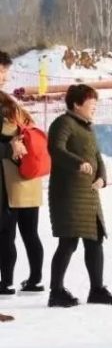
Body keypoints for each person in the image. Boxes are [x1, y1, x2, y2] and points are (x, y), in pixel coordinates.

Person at [46, 84, 112, 308]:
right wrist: (78, 163)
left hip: (89, 194)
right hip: (68, 194)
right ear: (77, 104)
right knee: (68, 241)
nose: (94, 106)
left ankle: (97, 289)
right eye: (90, 102)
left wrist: (102, 177)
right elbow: (56, 149)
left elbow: (97, 156)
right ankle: (56, 292)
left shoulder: (87, 127)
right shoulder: (63, 123)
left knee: (95, 241)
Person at [0, 91, 46, 294]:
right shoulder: (25, 118)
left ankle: (6, 283)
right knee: (31, 234)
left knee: (6, 236)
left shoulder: (6, 126)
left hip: (12, 186)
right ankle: (35, 280)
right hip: (32, 184)